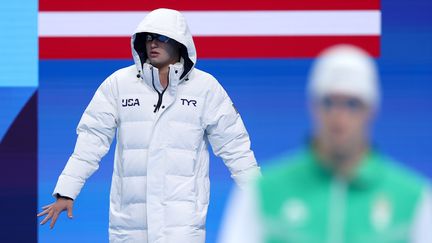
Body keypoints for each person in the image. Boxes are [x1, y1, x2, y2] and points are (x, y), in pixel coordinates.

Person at [37, 8, 260, 243]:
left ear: (179, 42)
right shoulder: (118, 84)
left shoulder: (206, 88)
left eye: (161, 37)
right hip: (129, 223)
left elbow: (235, 147)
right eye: (148, 38)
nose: (153, 44)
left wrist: (262, 197)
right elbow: (90, 142)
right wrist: (66, 191)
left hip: (182, 224)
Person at [218, 45, 432, 243]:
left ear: (371, 110)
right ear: (313, 106)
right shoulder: (262, 193)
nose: (339, 116)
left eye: (352, 104)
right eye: (329, 102)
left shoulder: (414, 199)